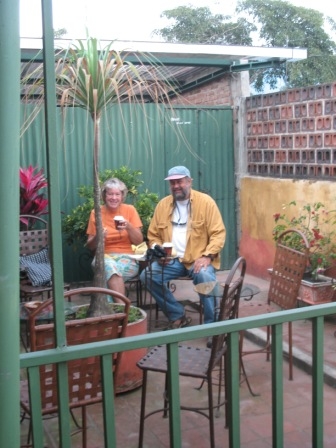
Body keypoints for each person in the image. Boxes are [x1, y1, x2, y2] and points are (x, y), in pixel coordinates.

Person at [140, 166, 226, 335]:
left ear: (189, 181)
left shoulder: (206, 202)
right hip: (172, 260)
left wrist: (207, 256)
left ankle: (213, 327)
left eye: (179, 181)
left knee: (205, 278)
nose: (176, 186)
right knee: (147, 276)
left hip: (197, 258)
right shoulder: (163, 205)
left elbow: (218, 233)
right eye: (172, 183)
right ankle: (177, 314)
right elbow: (153, 235)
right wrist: (159, 252)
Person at [86, 178, 143, 298]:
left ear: (122, 196)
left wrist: (128, 226)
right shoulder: (96, 212)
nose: (114, 197)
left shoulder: (130, 210)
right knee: (109, 267)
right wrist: (98, 237)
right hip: (103, 256)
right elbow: (90, 246)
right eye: (110, 194)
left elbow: (139, 241)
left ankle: (113, 314)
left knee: (108, 275)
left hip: (128, 258)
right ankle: (124, 311)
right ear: (104, 195)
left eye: (117, 194)